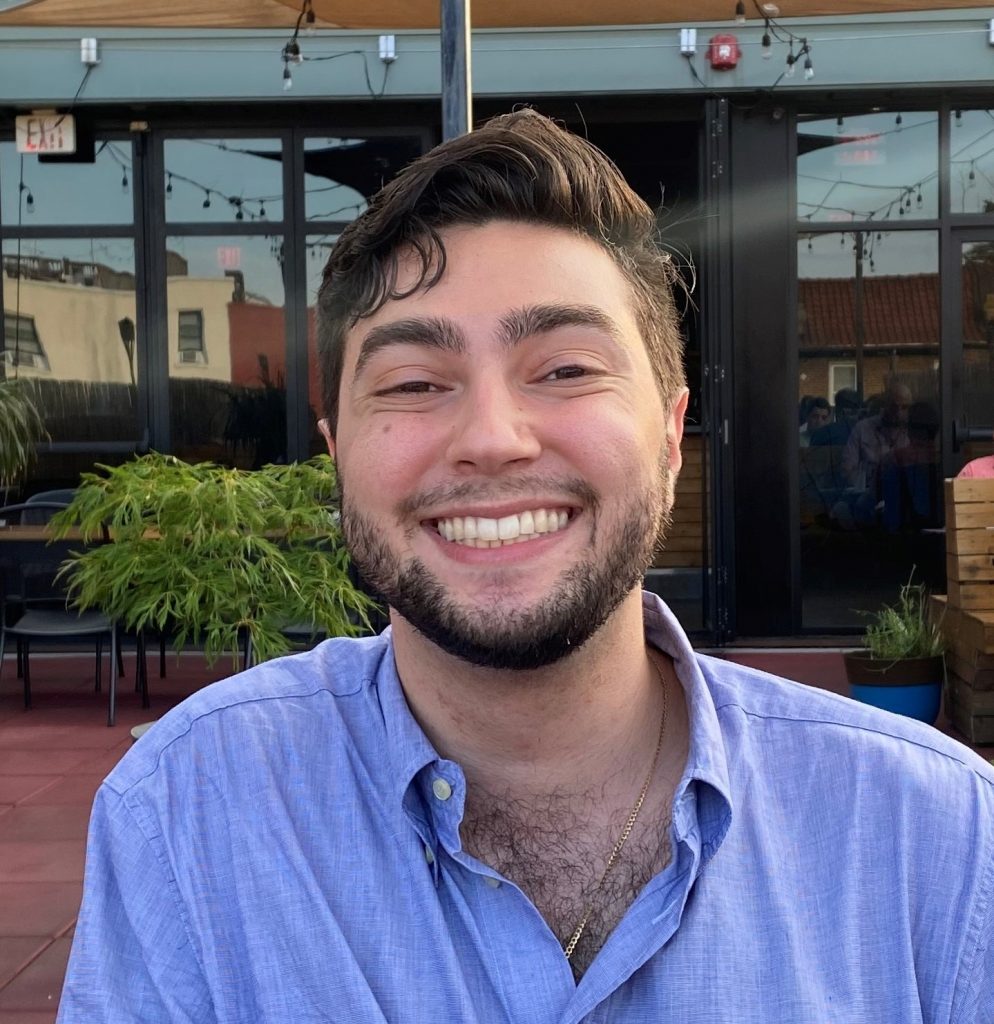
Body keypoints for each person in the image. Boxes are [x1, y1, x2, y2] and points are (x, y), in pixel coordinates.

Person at [57, 111, 993, 1022]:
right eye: (416, 383)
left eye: (566, 369)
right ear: (339, 451)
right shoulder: (186, 818)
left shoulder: (935, 839)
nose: (493, 440)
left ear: (669, 434)